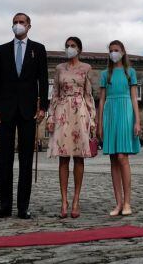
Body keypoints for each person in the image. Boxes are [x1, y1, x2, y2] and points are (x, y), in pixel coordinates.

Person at [0, 13, 49, 219]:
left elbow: (43, 79)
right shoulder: (1, 50)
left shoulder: (38, 49)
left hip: (28, 111)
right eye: (15, 22)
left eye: (21, 22)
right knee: (4, 159)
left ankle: (23, 207)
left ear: (29, 26)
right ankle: (5, 206)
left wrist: (43, 108)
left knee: (25, 160)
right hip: (5, 111)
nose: (18, 25)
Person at [46, 36, 96, 219]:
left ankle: (76, 199)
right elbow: (55, 94)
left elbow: (89, 95)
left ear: (79, 49)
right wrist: (50, 116)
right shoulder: (59, 69)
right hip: (62, 112)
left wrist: (92, 120)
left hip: (80, 110)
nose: (69, 48)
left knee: (80, 158)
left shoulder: (86, 68)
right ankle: (64, 201)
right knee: (63, 158)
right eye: (67, 46)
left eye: (73, 46)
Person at [97, 39, 142, 217]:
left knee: (123, 157)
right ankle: (118, 203)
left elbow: (134, 98)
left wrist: (137, 121)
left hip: (125, 111)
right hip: (110, 113)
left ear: (123, 52)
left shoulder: (130, 72)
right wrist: (99, 123)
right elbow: (101, 100)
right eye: (111, 50)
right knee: (113, 159)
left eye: (116, 50)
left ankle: (128, 202)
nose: (113, 53)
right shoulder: (104, 74)